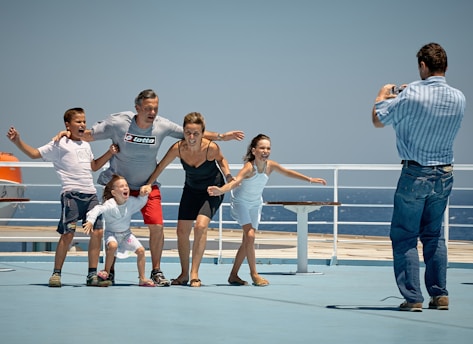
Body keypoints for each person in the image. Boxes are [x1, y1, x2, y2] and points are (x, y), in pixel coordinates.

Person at [54, 89, 244, 286]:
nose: (152, 112)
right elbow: (90, 135)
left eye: (155, 108)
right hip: (119, 186)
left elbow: (190, 133)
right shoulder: (119, 123)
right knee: (112, 229)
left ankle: (156, 271)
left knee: (157, 227)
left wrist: (221, 136)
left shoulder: (162, 125)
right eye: (147, 108)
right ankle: (109, 271)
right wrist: (69, 133)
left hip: (147, 186)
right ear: (137, 108)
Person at [372, 43, 465, 312]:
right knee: (434, 235)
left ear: (423, 65)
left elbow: (378, 119)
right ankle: (440, 294)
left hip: (415, 173)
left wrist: (382, 94)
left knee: (404, 236)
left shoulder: (411, 93)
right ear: (445, 67)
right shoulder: (459, 97)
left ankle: (413, 298)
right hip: (445, 173)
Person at [6, 108, 118, 287]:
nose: (82, 124)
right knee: (68, 234)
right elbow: (35, 154)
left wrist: (110, 153)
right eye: (78, 122)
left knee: (97, 232)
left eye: (84, 121)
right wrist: (17, 141)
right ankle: (56, 274)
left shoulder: (86, 145)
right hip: (71, 195)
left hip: (90, 195)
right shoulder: (59, 143)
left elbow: (95, 166)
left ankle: (92, 275)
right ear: (68, 125)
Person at [208, 134, 327, 286]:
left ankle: (233, 275)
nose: (265, 151)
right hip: (241, 202)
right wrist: (221, 190)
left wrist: (309, 179)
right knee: (250, 236)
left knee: (247, 240)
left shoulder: (270, 166)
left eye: (268, 148)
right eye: (262, 148)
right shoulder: (249, 168)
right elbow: (235, 182)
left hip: (256, 204)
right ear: (254, 150)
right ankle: (254, 274)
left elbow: (287, 172)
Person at [143, 112, 232, 287]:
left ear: (203, 133)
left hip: (212, 191)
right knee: (182, 231)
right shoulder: (178, 148)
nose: (191, 137)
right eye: (188, 133)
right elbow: (161, 166)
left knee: (200, 226)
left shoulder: (210, 148)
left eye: (196, 133)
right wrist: (148, 184)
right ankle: (183, 273)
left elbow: (222, 160)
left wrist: (228, 176)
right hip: (191, 190)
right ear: (183, 131)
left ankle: (194, 274)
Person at [83, 175, 155, 287]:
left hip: (126, 235)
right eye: (121, 186)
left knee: (141, 251)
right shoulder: (110, 204)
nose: (125, 188)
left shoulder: (130, 202)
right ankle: (106, 271)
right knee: (112, 245)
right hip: (111, 234)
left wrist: (143, 195)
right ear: (114, 193)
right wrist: (91, 221)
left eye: (126, 185)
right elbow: (98, 209)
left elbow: (141, 202)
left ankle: (142, 278)